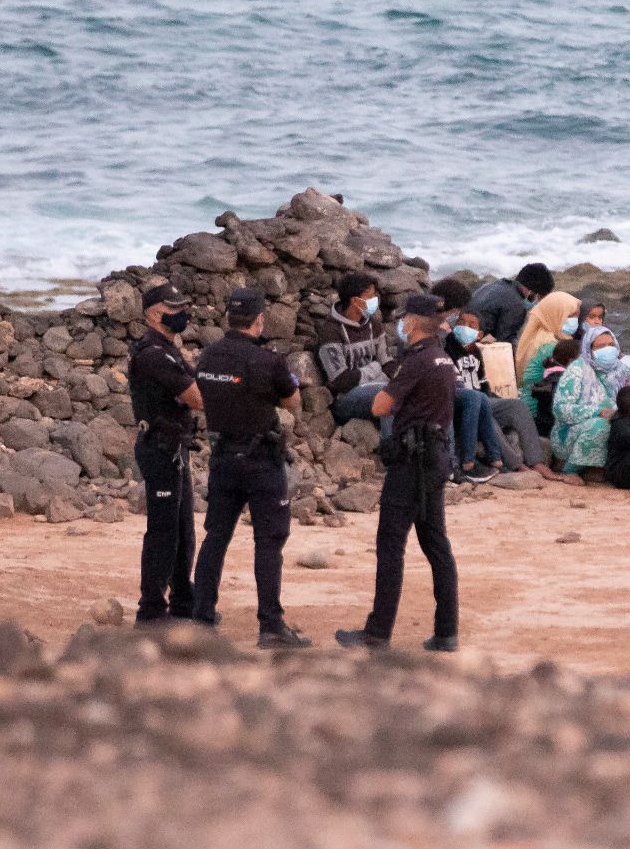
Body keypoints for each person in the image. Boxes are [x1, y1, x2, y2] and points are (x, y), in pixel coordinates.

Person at [336, 294, 461, 652]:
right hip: (435, 455)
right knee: (436, 543)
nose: (401, 325)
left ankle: (378, 632)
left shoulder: (419, 360)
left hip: (412, 460)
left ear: (413, 322)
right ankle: (446, 630)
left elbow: (380, 404)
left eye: (404, 319)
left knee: (391, 544)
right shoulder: (442, 356)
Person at [191, 289, 311, 649]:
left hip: (223, 456)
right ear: (259, 320)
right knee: (269, 542)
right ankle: (271, 626)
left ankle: (201, 616)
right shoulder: (268, 361)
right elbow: (293, 401)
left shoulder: (209, 356)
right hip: (261, 459)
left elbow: (202, 398)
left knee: (216, 537)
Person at [128, 283, 202, 626]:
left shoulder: (169, 349)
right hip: (159, 449)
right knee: (163, 531)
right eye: (174, 308)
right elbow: (196, 397)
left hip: (175, 447)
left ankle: (184, 602)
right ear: (154, 314)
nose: (182, 313)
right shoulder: (153, 354)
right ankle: (152, 610)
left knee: (184, 528)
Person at [446, 309, 558, 479]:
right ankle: (516, 464)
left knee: (516, 406)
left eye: (471, 325)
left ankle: (537, 461)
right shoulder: (448, 347)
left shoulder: (476, 352)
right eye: (461, 323)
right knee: (486, 414)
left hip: (483, 398)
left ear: (479, 334)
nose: (465, 327)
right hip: (464, 403)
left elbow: (483, 385)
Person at [431, 278, 500, 483]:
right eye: (457, 314)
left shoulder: (471, 349)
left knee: (480, 397)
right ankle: (465, 463)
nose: (456, 318)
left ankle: (496, 459)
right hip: (434, 384)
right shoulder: (435, 330)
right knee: (472, 398)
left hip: (451, 384)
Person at [316, 272, 396, 426]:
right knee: (390, 396)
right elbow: (341, 381)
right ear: (355, 300)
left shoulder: (374, 325)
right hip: (345, 399)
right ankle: (390, 447)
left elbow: (387, 363)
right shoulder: (331, 332)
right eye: (370, 297)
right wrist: (374, 368)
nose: (375, 301)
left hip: (375, 385)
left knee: (409, 391)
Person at [551, 325, 627, 479]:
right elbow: (561, 409)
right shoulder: (577, 370)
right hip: (572, 432)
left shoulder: (623, 370)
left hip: (615, 424)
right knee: (600, 425)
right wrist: (598, 412)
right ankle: (570, 470)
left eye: (611, 345)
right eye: (600, 346)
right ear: (589, 349)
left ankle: (598, 468)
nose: (608, 349)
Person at [514, 290, 582, 396]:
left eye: (577, 316)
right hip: (540, 403)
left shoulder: (539, 333)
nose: (575, 320)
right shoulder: (549, 344)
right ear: (556, 314)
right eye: (570, 315)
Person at [469, 262, 554, 345]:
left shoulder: (492, 285)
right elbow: (505, 343)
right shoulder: (516, 305)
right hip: (471, 344)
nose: (537, 302)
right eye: (539, 298)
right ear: (532, 292)